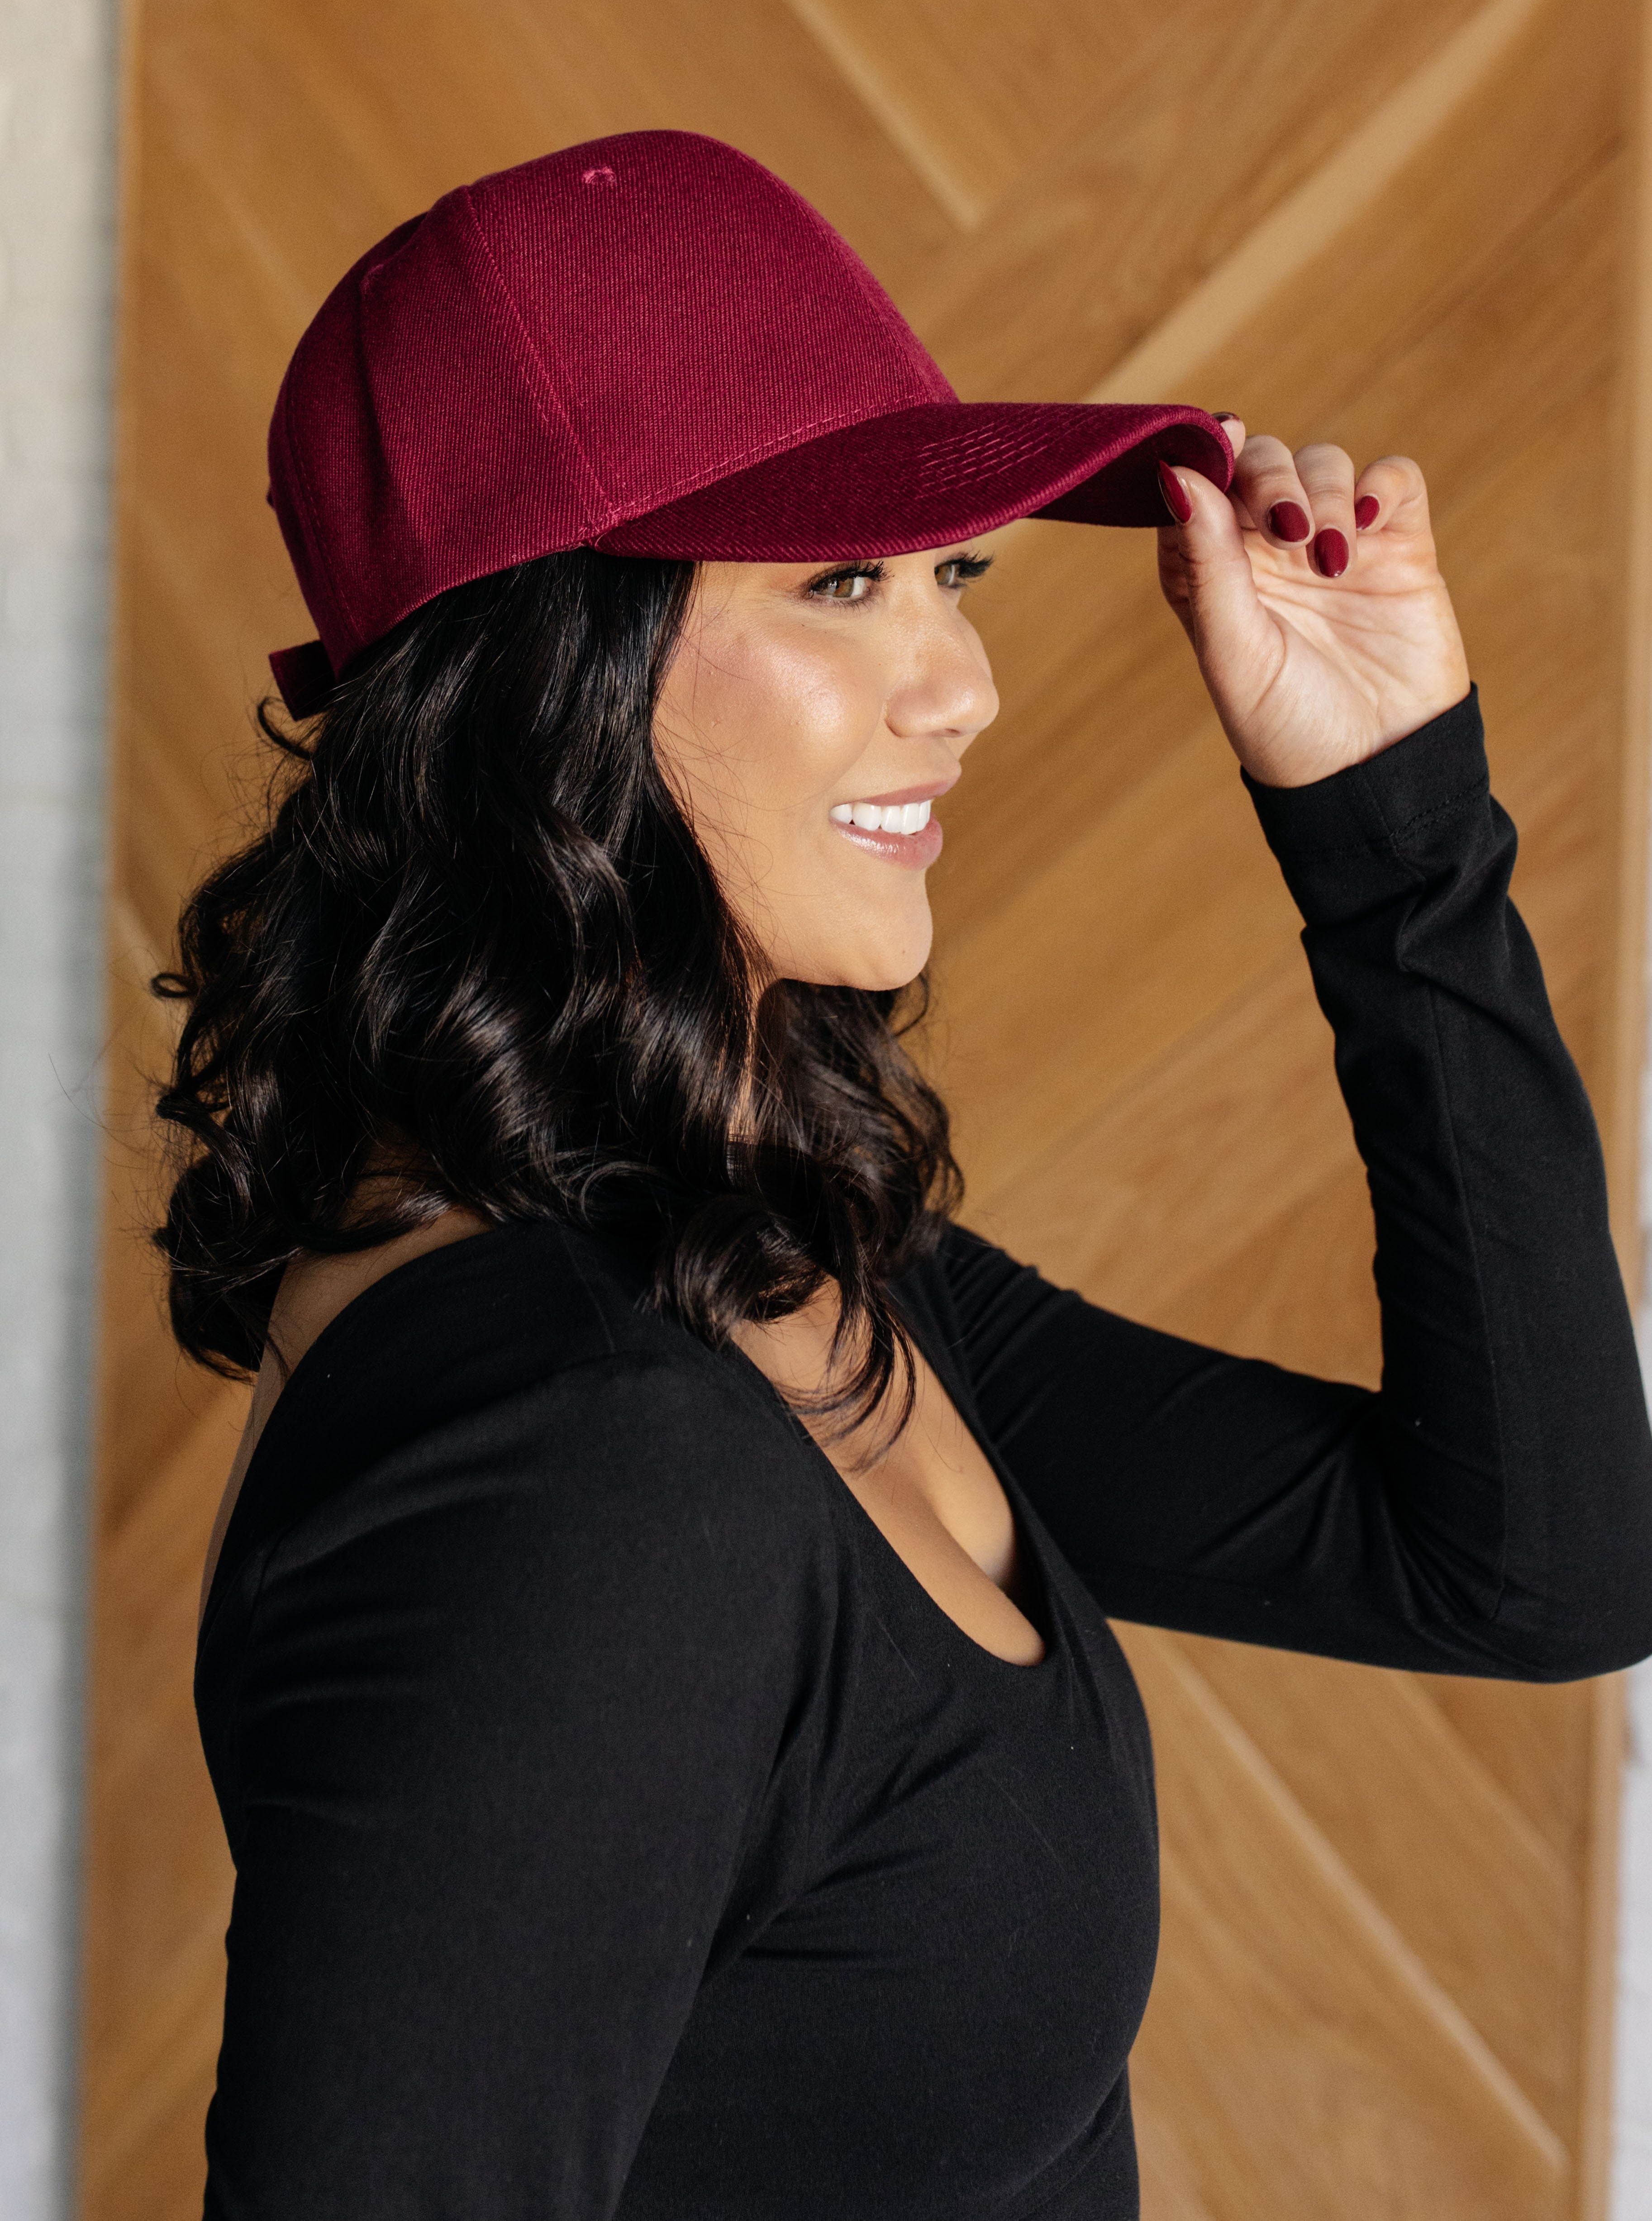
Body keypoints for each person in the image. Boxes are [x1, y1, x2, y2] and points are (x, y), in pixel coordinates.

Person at [162, 130, 1652, 2221]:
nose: (965, 685)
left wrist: (1390, 826)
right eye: (840, 580)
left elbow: (1534, 1562)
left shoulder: (772, 1266)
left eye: (950, 573)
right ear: (554, 675)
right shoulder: (576, 1469)